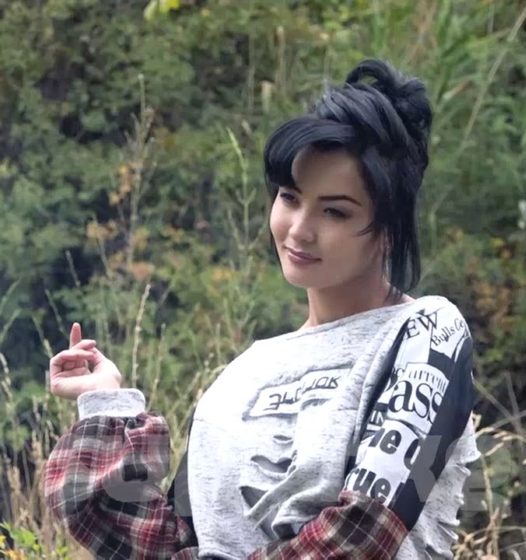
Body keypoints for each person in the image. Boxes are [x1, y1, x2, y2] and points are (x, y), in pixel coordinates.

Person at [44, 59, 480, 559]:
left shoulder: (427, 335)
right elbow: (165, 543)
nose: (299, 229)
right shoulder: (241, 377)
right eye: (290, 198)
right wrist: (106, 405)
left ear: (388, 229)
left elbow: (363, 534)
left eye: (335, 211)